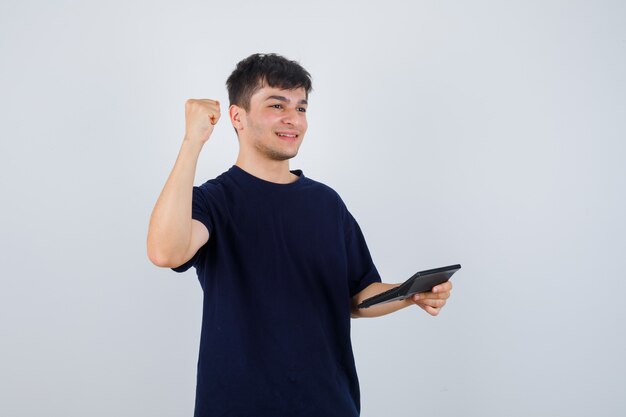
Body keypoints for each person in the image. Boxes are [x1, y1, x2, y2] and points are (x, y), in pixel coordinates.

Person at [147, 53, 452, 417]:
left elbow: (357, 296)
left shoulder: (326, 203)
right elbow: (166, 251)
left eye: (301, 108)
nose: (293, 119)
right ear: (237, 117)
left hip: (329, 405)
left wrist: (409, 293)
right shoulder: (213, 201)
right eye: (277, 105)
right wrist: (192, 141)